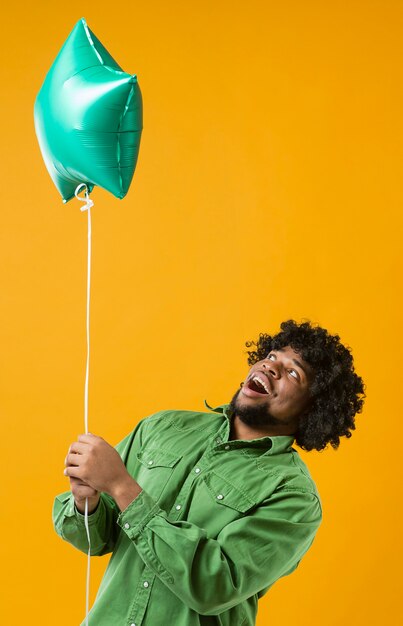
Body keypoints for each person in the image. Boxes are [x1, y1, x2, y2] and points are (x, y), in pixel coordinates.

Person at [54, 319, 365, 626]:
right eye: (272, 356)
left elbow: (215, 586)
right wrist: (86, 502)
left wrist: (121, 487)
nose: (272, 367)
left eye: (293, 372)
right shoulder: (163, 427)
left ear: (313, 409)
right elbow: (99, 539)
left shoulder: (294, 496)